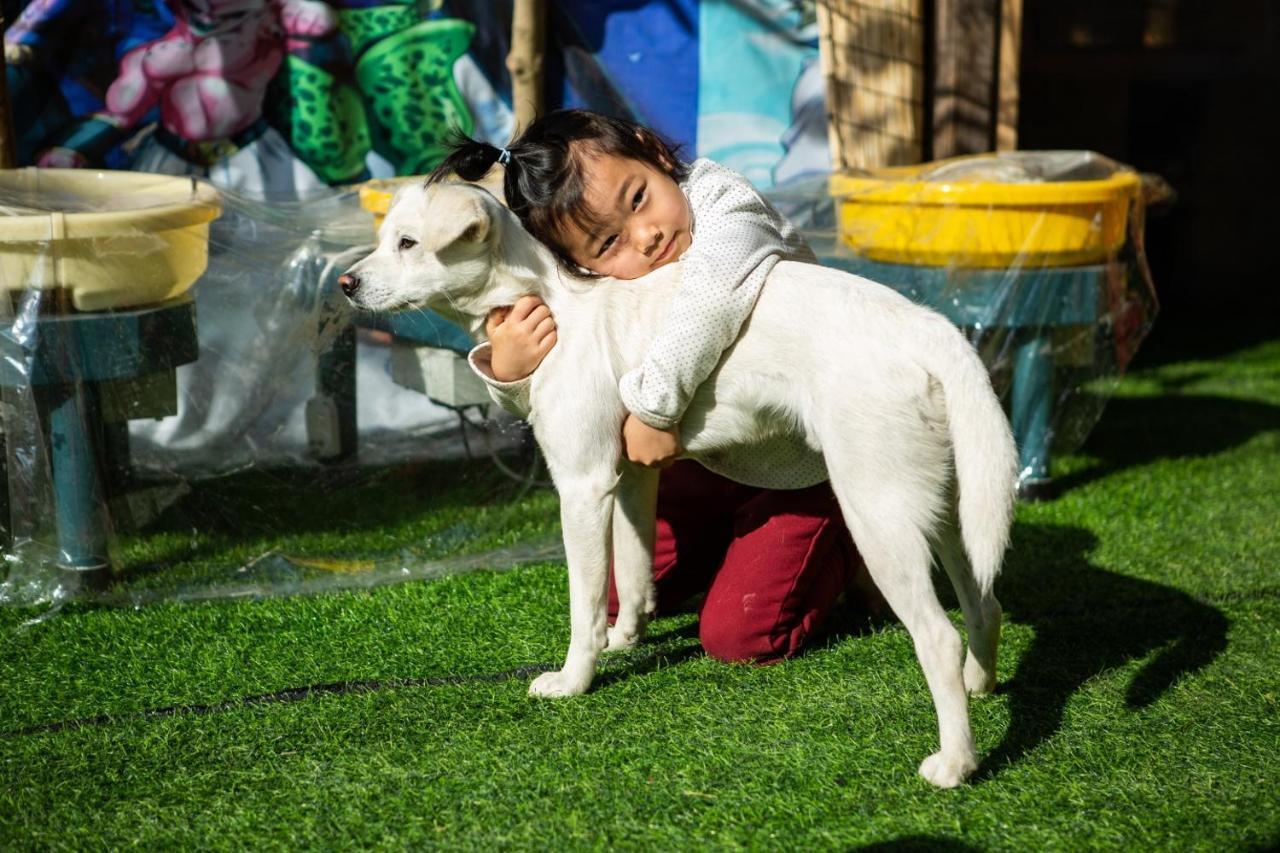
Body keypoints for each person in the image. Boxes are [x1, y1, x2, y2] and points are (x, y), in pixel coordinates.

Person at [432, 109, 883, 663]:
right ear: (574, 262)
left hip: (805, 458)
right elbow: (571, 378)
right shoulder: (594, 275)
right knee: (627, 595)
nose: (644, 239)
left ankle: (854, 542)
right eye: (607, 243)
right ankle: (738, 542)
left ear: (654, 152)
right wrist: (511, 369)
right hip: (711, 458)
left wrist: (652, 410)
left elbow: (711, 296)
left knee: (744, 637)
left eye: (639, 198)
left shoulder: (723, 201)